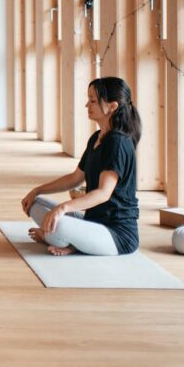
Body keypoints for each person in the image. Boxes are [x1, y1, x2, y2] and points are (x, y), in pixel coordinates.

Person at [21, 76, 141, 256]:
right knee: (34, 205)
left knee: (57, 223)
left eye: (93, 100)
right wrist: (37, 190)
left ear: (112, 106)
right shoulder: (97, 138)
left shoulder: (117, 143)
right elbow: (75, 178)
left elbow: (103, 193)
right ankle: (67, 240)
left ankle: (62, 239)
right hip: (92, 223)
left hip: (116, 235)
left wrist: (63, 207)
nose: (87, 105)